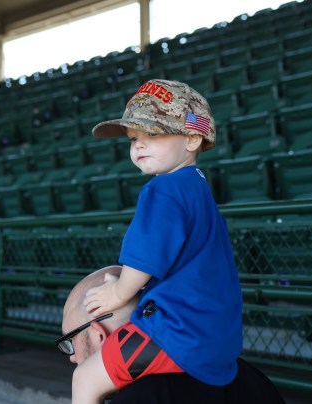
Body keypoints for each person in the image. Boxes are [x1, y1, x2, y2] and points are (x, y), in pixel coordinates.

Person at [73, 79, 244, 404]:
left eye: (153, 133)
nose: (138, 145)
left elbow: (145, 257)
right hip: (218, 339)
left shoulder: (162, 189)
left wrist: (119, 291)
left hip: (178, 334)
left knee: (84, 379)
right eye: (134, 138)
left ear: (193, 137)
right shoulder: (196, 187)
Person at [56, 266, 285, 404]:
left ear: (99, 335)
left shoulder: (138, 399)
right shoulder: (246, 376)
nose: (72, 358)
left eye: (71, 342)